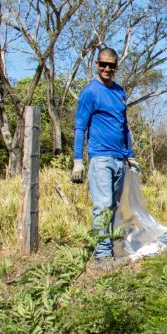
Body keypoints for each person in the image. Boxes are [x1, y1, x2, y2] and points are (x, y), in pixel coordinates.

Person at [70, 47, 140, 263]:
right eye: (103, 64)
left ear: (116, 66)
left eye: (111, 65)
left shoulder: (120, 92)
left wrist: (130, 155)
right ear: (96, 64)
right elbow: (80, 126)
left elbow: (123, 126)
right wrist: (78, 160)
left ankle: (109, 249)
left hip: (120, 159)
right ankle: (101, 255)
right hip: (100, 158)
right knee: (102, 205)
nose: (107, 68)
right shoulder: (90, 92)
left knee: (114, 207)